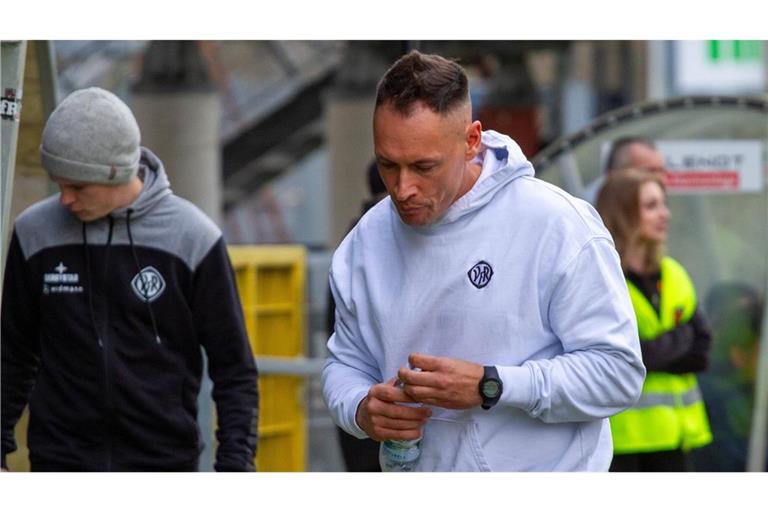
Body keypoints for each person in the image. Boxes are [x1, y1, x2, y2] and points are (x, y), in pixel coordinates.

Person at [321, 50, 645, 472]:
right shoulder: (364, 241)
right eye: (388, 165)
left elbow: (617, 374)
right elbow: (345, 363)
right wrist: (362, 409)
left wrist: (492, 385)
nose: (403, 188)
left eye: (424, 166)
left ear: (472, 140)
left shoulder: (556, 225)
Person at [1, 87, 259, 471]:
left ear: (116, 172)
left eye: (77, 186)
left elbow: (234, 368)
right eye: (59, 184)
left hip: (163, 467)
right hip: (59, 466)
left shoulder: (194, 238)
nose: (65, 199)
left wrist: (235, 467)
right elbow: (13, 354)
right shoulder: (34, 232)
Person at [596, 167, 713, 471]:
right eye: (651, 206)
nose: (665, 214)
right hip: (621, 442)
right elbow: (615, 359)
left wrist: (653, 350)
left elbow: (701, 352)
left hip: (677, 435)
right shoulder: (601, 277)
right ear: (622, 213)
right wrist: (678, 340)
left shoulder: (674, 272)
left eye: (663, 203)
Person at [325, 160, 388, 472]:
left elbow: (337, 340)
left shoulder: (350, 241)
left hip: (359, 404)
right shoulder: (369, 241)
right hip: (379, 405)